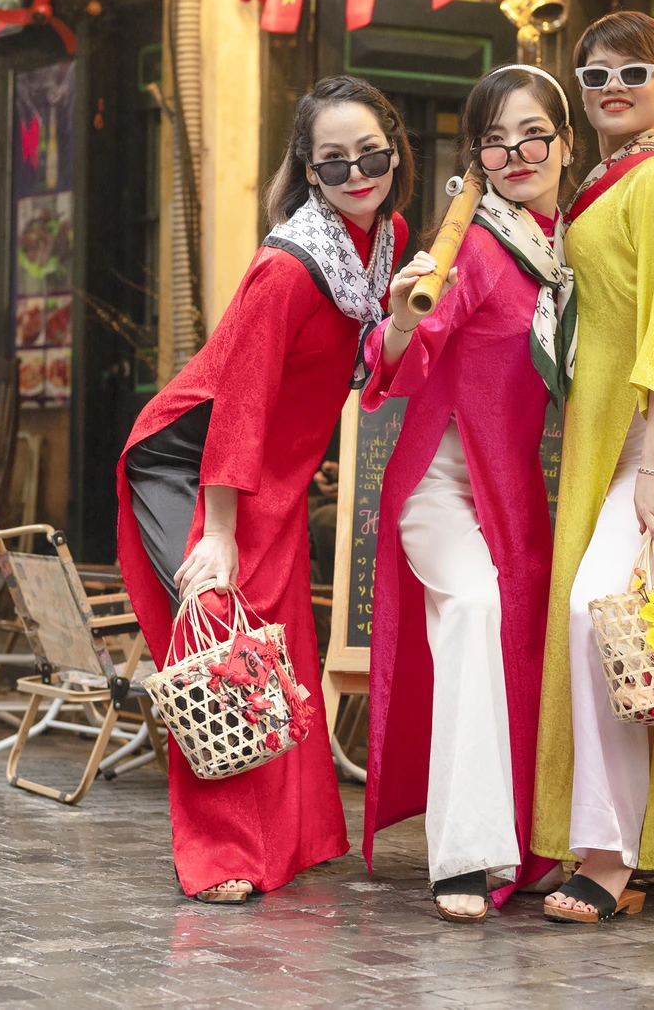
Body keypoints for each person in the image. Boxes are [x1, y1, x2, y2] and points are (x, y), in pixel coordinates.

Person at [116, 76, 413, 904]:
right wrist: (216, 531)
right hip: (191, 459)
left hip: (271, 467)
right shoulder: (287, 267)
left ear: (395, 152)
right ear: (309, 172)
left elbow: (368, 366)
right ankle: (223, 856)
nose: (357, 173)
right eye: (334, 162)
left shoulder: (388, 242)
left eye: (371, 155)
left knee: (283, 641)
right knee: (218, 635)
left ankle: (296, 837)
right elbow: (238, 404)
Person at [360, 65, 575, 922]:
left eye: (533, 134)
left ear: (565, 142)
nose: (516, 152)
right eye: (496, 138)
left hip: (511, 486)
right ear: (475, 157)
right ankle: (460, 856)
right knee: (476, 613)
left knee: (519, 646)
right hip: (440, 486)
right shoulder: (477, 243)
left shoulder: (564, 242)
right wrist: (405, 316)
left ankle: (523, 848)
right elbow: (403, 357)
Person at [533, 12, 654, 923]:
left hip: (646, 433)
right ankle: (632, 848)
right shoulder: (600, 181)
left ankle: (609, 856)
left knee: (596, 613)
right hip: (596, 427)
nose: (612, 87)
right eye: (594, 75)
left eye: (633, 72)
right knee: (623, 628)